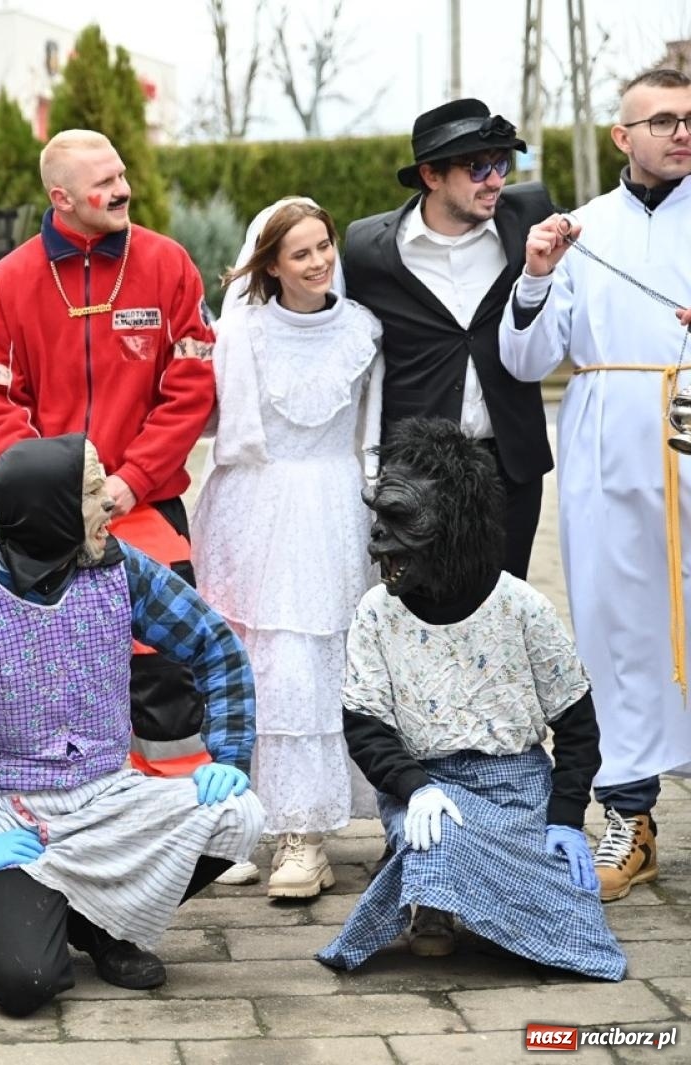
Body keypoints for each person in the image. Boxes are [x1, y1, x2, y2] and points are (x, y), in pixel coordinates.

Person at [0, 433, 265, 1018]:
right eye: (90, 491)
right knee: (26, 985)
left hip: (107, 795)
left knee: (238, 816)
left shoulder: (118, 568)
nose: (109, 500)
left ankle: (98, 926)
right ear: (49, 511)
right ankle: (0, 915)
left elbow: (216, 646)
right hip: (9, 809)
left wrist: (229, 757)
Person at [317, 418, 625, 980]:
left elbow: (578, 726)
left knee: (574, 925)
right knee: (440, 835)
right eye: (378, 517)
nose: (377, 538)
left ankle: (482, 899)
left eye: (401, 519)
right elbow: (365, 727)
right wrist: (416, 789)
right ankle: (434, 902)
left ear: (454, 524)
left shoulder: (521, 608)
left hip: (517, 787)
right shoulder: (375, 614)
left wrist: (563, 818)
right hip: (427, 784)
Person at [0, 128, 217, 773]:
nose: (123, 189)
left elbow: (189, 390)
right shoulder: (10, 279)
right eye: (104, 183)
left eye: (121, 173)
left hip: (147, 510)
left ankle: (184, 826)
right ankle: (78, 825)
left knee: (166, 676)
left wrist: (130, 483)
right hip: (47, 524)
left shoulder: (167, 265)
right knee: (56, 679)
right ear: (62, 196)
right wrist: (53, 494)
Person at [500, 66, 691, 901]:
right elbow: (528, 358)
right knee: (616, 623)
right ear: (622, 137)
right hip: (610, 436)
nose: (681, 133)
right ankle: (630, 816)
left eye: (690, 119)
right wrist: (536, 274)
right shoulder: (579, 230)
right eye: (663, 121)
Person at [192, 197, 383, 898]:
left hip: (331, 507)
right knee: (254, 665)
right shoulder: (239, 332)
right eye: (300, 252)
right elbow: (208, 416)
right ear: (271, 262)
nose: (318, 261)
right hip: (251, 506)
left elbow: (373, 428)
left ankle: (307, 835)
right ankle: (248, 820)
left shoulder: (364, 329)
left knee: (311, 664)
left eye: (324, 245)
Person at [343, 99, 556, 580]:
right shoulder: (367, 249)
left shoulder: (529, 217)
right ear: (431, 175)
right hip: (419, 472)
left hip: (511, 467)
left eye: (502, 163)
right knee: (421, 615)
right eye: (477, 167)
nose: (496, 179)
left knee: (505, 607)